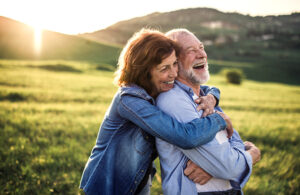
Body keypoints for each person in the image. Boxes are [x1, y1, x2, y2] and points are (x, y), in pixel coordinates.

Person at [79, 29, 234, 195]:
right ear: (144, 72)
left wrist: (212, 97)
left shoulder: (156, 88)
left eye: (175, 63)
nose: (174, 73)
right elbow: (185, 137)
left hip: (138, 182)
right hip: (108, 186)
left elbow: (203, 88)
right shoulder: (129, 100)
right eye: (164, 68)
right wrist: (219, 120)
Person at [156, 28, 261, 195]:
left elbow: (232, 143)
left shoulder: (206, 98)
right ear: (174, 62)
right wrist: (254, 153)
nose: (202, 55)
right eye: (191, 50)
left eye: (202, 47)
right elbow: (229, 167)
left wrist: (214, 167)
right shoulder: (173, 100)